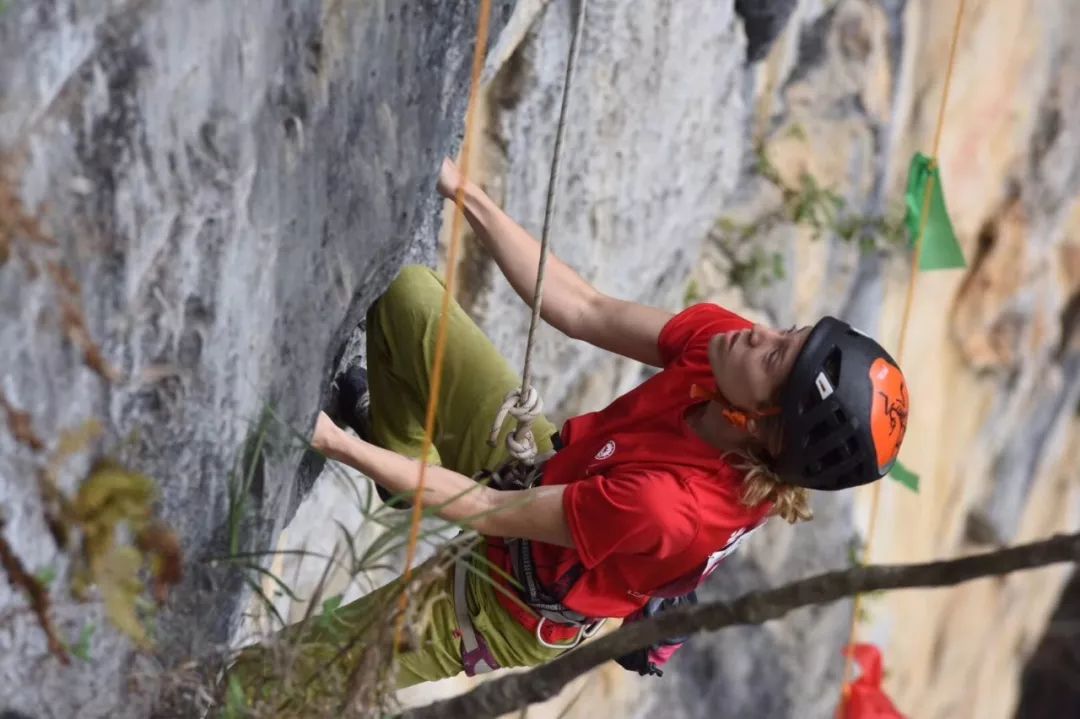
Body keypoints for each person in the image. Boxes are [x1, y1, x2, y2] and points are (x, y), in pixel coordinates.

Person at [230, 158, 910, 699]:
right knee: (410, 301)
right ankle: (402, 464)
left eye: (776, 358)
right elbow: (585, 307)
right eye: (785, 333)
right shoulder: (725, 353)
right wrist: (464, 191)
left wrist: (332, 442)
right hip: (550, 471)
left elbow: (488, 511)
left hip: (510, 599)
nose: (760, 333)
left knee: (284, 678)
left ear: (771, 430)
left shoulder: (666, 508)